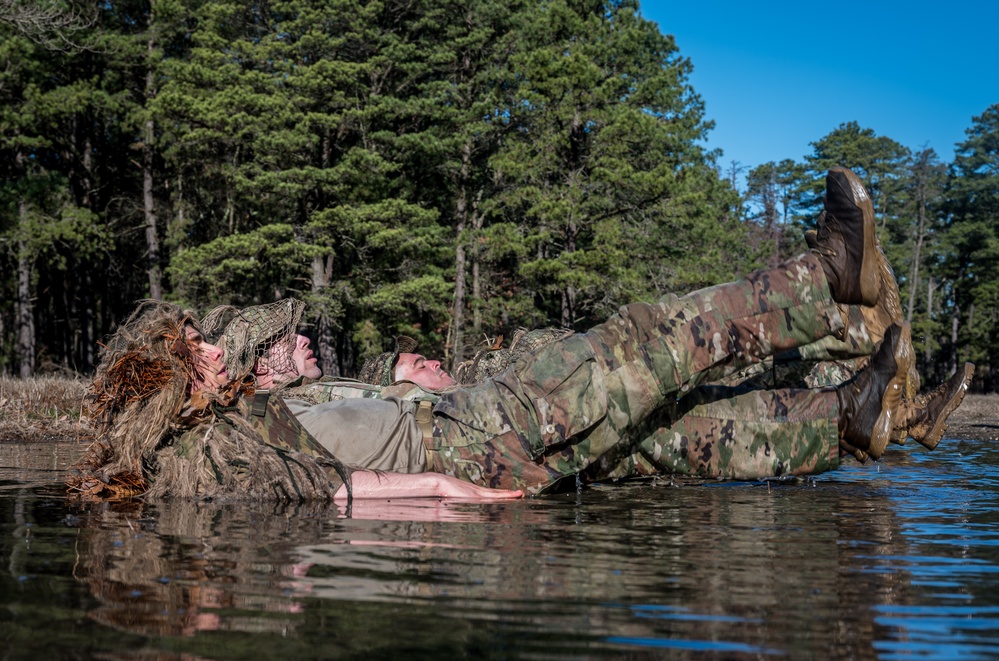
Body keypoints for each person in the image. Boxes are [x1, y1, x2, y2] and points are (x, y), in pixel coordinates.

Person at [201, 168, 973, 494]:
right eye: (275, 345)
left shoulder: (288, 418)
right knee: (660, 343)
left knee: (708, 425)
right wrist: (439, 486)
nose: (294, 344)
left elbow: (352, 480)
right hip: (487, 437)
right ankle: (832, 283)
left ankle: (866, 413)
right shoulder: (253, 436)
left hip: (487, 433)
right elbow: (349, 490)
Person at [71, 301, 524, 502]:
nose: (216, 352)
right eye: (196, 349)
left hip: (459, 430)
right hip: (453, 448)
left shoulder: (233, 416)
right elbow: (320, 485)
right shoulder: (211, 443)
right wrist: (434, 485)